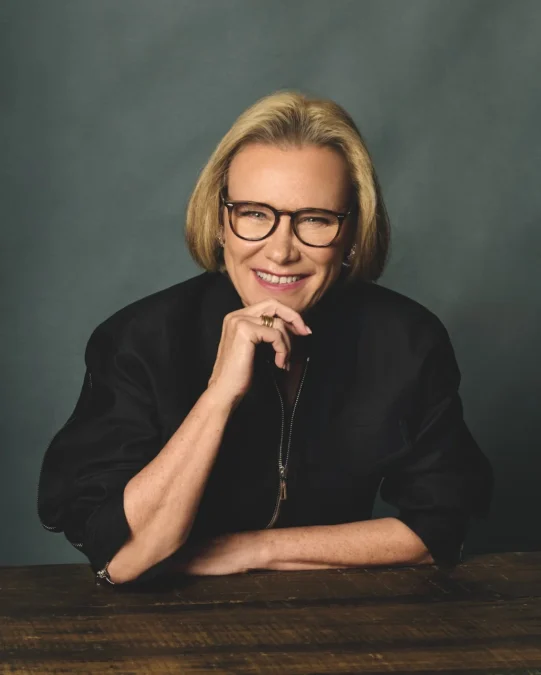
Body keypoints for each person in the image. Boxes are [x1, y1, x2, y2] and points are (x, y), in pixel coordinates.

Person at [37, 91, 494, 585]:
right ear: (220, 222)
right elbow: (122, 558)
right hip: (163, 625)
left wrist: (253, 549)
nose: (280, 251)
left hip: (338, 614)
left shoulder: (407, 339)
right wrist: (218, 398)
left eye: (315, 219)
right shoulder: (139, 339)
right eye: (255, 213)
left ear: (352, 233)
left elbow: (437, 529)